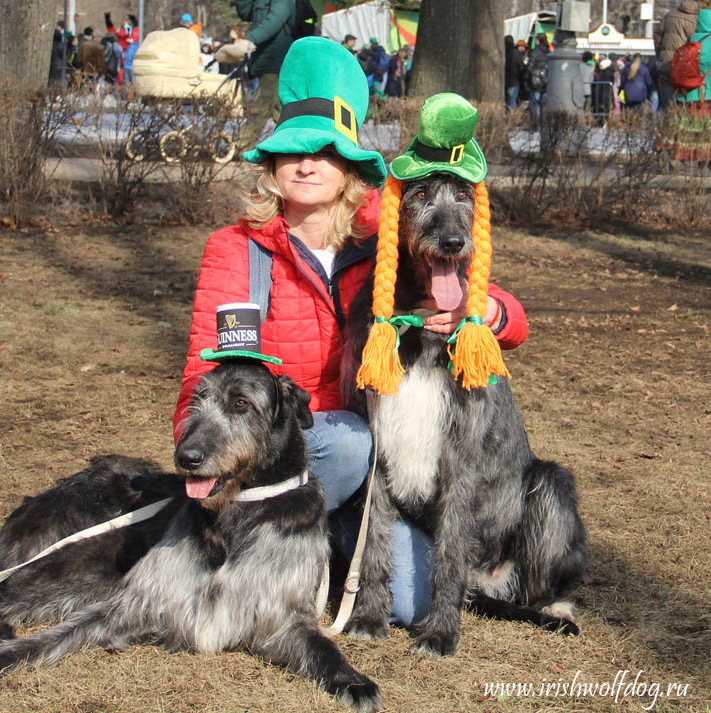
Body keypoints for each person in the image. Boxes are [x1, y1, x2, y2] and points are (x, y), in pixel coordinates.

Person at [174, 37, 529, 628]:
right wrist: (205, 455)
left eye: (325, 152)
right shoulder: (235, 250)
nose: (307, 164)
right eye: (292, 152)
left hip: (372, 470)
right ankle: (255, 551)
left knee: (410, 603)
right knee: (345, 443)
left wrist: (488, 310)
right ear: (271, 167)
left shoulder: (381, 239)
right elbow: (202, 381)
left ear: (348, 171)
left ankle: (324, 560)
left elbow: (498, 310)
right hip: (292, 449)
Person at [231, 0, 296, 147]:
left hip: (276, 60)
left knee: (262, 104)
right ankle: (292, 145)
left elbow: (275, 19)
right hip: (264, 58)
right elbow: (246, 14)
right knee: (279, 109)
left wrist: (250, 39)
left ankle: (240, 145)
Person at [662, 9, 711, 161]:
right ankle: (703, 163)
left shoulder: (691, 40)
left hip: (685, 94)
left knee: (686, 132)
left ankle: (682, 159)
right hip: (706, 93)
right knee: (705, 132)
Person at [653, 0, 700, 109]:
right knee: (687, 106)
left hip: (666, 65)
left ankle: (667, 124)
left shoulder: (669, 16)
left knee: (667, 106)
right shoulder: (698, 20)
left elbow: (657, 37)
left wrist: (661, 55)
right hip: (687, 68)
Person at [526, 33, 550, 129]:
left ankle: (535, 124)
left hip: (535, 82)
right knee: (543, 105)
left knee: (535, 104)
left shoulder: (535, 52)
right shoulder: (549, 52)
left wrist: (527, 79)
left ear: (538, 40)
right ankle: (543, 124)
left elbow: (530, 67)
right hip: (546, 82)